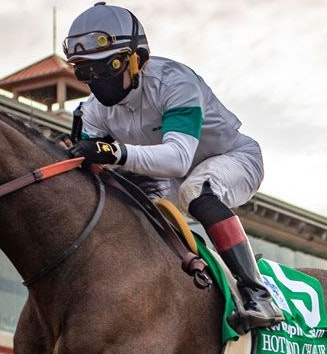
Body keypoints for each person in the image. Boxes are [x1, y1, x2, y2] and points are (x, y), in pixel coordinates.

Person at [61, 2, 283, 333]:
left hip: (232, 159)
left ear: (137, 59)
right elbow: (96, 172)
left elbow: (178, 157)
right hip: (166, 179)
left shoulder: (176, 82)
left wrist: (112, 150)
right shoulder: (91, 111)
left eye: (108, 67)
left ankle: (257, 293)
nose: (97, 80)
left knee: (196, 190)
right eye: (85, 72)